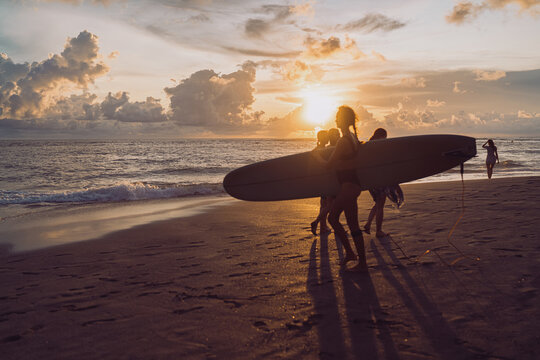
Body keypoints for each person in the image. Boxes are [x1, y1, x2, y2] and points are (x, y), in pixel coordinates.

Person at [312, 106, 367, 272]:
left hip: (349, 186)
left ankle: (351, 254)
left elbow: (329, 166)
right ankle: (358, 260)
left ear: (342, 120)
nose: (335, 120)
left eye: (337, 117)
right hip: (352, 185)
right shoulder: (352, 137)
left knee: (333, 219)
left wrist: (315, 157)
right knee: (353, 224)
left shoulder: (344, 141)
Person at [363, 128, 389, 238]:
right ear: (381, 136)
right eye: (385, 137)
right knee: (380, 205)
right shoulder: (377, 146)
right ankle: (379, 231)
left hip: (370, 179)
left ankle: (368, 225)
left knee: (378, 203)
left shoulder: (368, 145)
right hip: (377, 179)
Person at [311, 130, 331, 235]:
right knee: (330, 204)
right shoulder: (321, 150)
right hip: (326, 180)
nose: (328, 138)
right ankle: (316, 222)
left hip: (321, 180)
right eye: (327, 136)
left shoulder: (318, 149)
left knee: (323, 205)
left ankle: (323, 227)